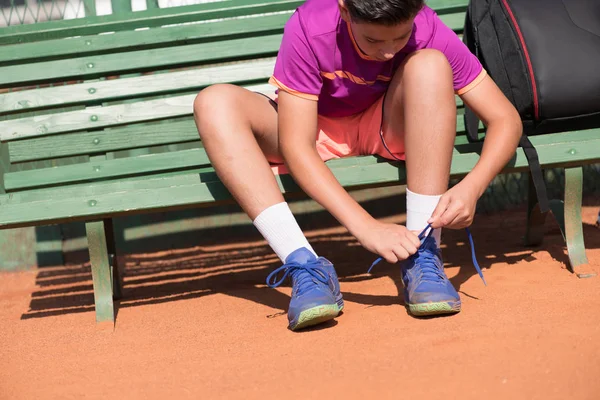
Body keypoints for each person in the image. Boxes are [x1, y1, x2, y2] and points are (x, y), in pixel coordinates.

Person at [193, 0, 522, 330]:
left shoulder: (426, 25)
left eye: (401, 37)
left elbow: (505, 119)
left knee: (431, 64)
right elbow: (296, 146)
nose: (389, 52)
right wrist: (366, 227)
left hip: (386, 126)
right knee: (213, 102)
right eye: (373, 41)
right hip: (308, 127)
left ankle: (423, 251)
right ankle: (304, 265)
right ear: (345, 10)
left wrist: (473, 186)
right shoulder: (311, 23)